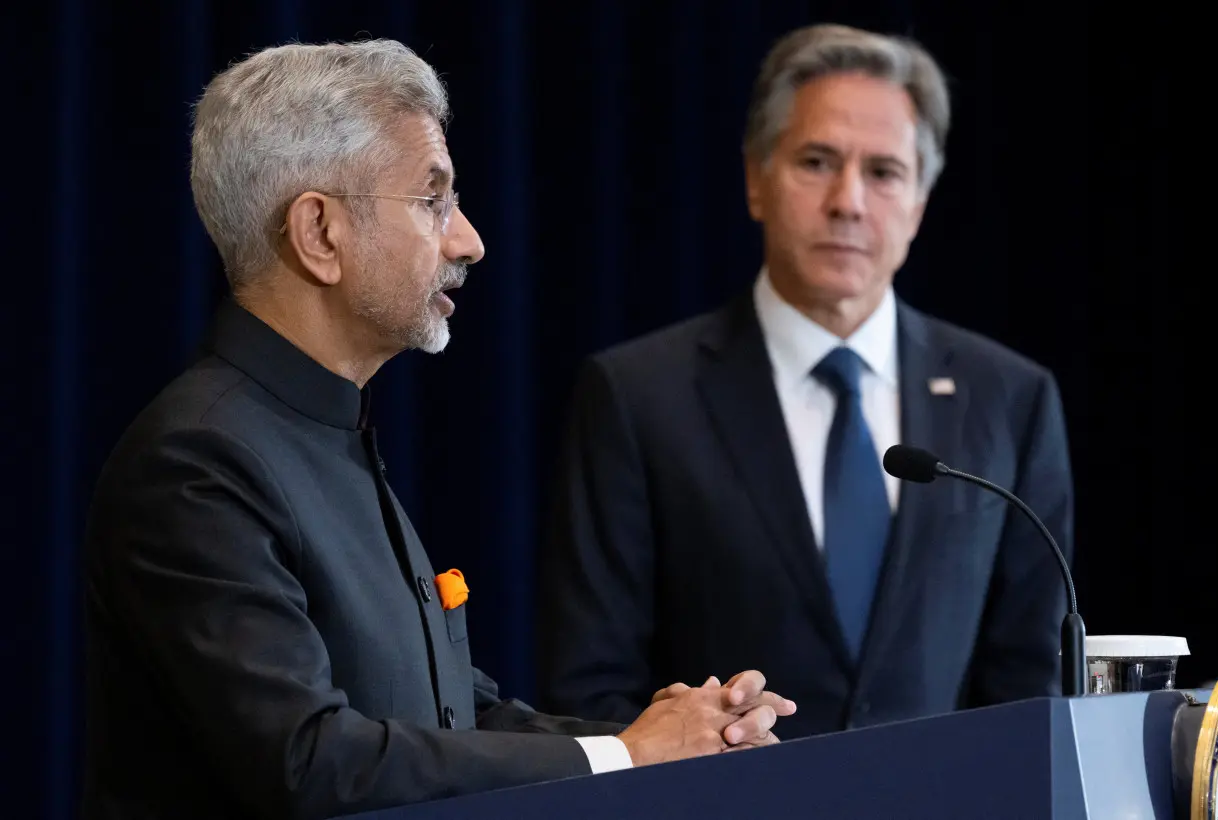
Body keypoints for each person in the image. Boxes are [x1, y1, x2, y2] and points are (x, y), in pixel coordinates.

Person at [82, 39, 795, 820]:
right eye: (433, 200)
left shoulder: (324, 432)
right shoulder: (198, 463)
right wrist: (628, 754)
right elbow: (309, 760)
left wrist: (679, 738)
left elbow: (454, 717)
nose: (469, 241)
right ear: (320, 233)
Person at [537, 23, 1074, 741]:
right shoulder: (637, 396)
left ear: (919, 201)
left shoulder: (1010, 399)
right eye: (817, 161)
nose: (848, 201)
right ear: (757, 178)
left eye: (884, 172)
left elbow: (1031, 681)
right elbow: (591, 686)